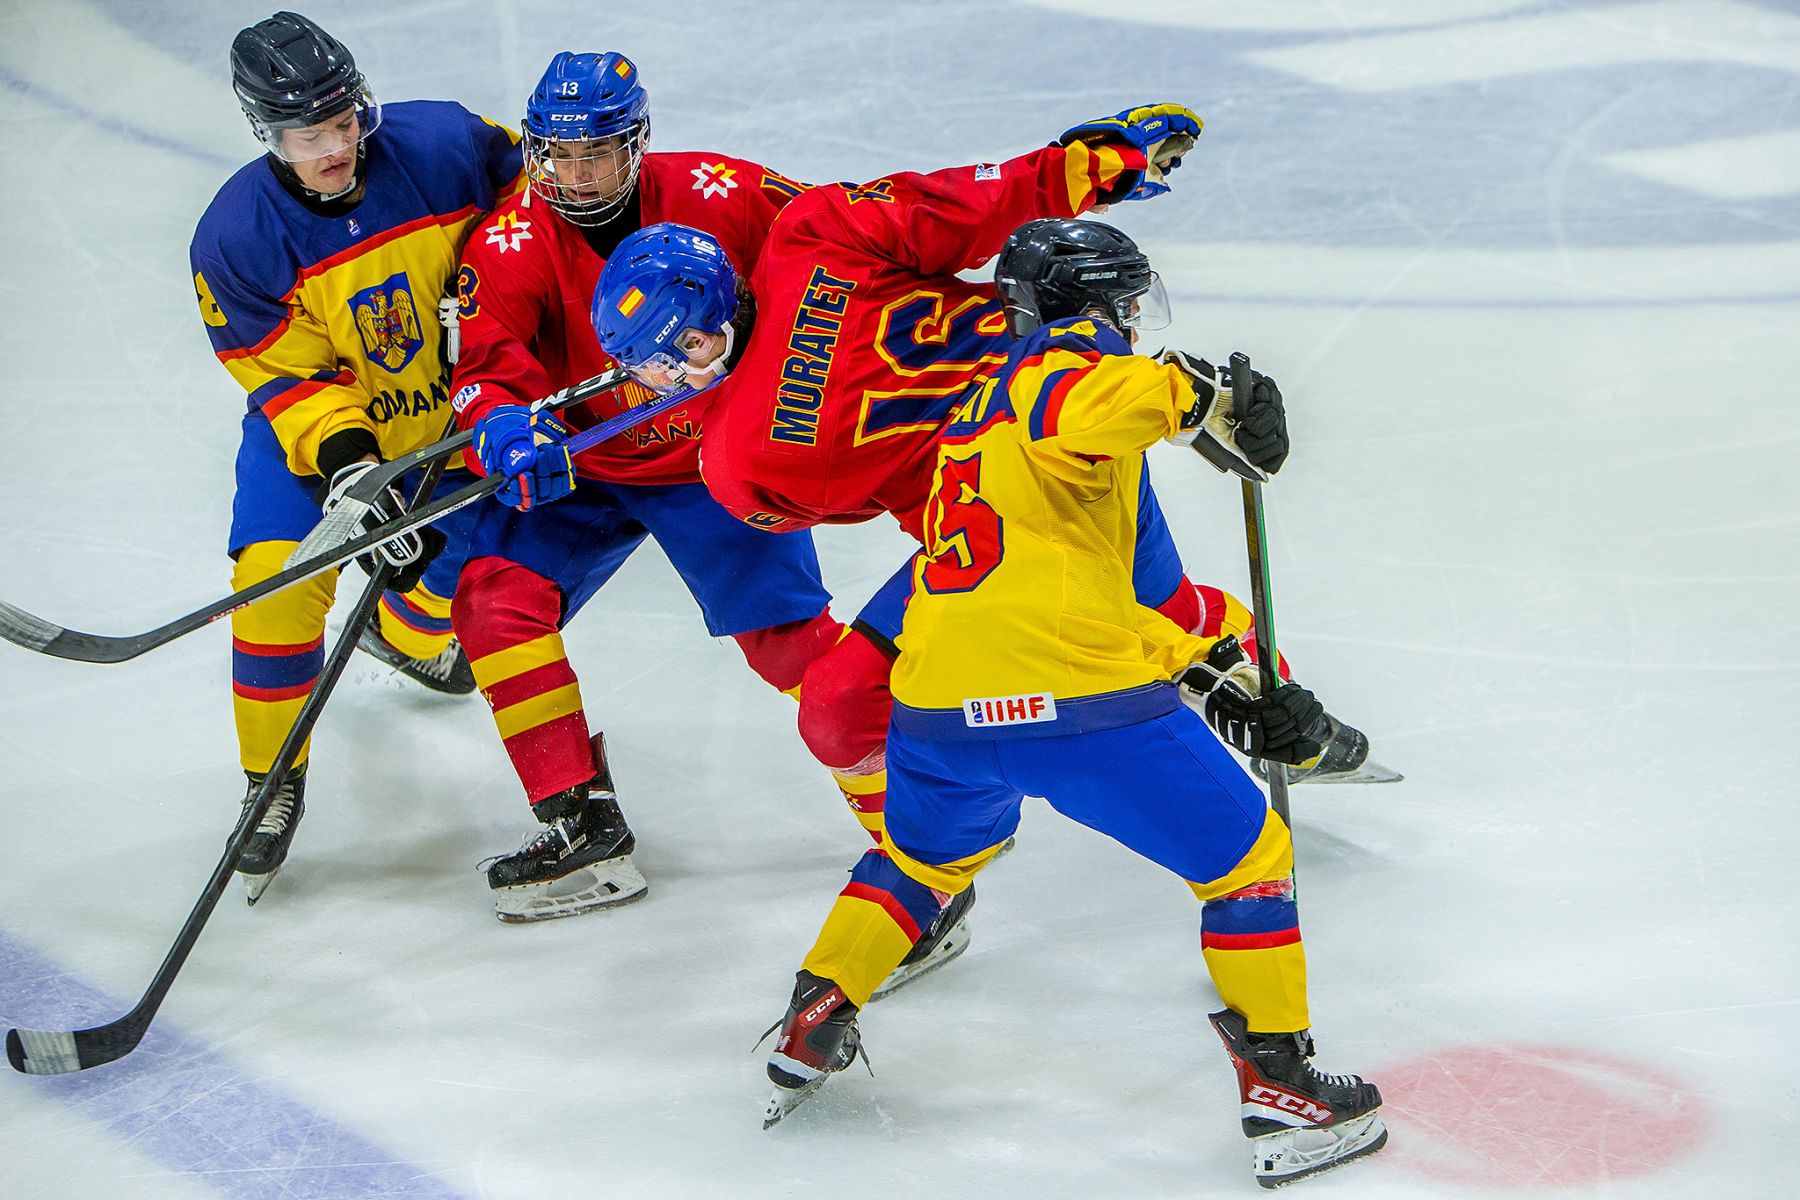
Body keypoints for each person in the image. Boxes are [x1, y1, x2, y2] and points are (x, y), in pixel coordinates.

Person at [594, 104, 1391, 955]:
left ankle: (1289, 719)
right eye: (651, 363)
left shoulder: (737, 463)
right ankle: (928, 874)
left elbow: (839, 486)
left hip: (1067, 452)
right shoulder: (812, 231)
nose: (666, 376)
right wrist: (1100, 161)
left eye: (680, 351)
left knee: (1165, 621)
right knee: (838, 705)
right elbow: (970, 205)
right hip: (999, 505)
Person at [757, 218, 1387, 1189]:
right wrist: (1206, 395)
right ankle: (1285, 1089)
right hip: (1070, 697)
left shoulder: (976, 416)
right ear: (1096, 308)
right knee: (1248, 860)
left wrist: (1234, 678)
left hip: (934, 708)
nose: (1134, 324)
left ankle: (817, 1011)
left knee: (922, 858)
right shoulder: (1061, 378)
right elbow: (1086, 393)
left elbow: (1143, 595)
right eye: (1127, 308)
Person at [446, 52, 846, 925]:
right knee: (493, 600)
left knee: (788, 642)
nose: (577, 174)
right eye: (557, 154)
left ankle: (921, 821)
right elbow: (483, 373)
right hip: (587, 461)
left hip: (718, 457)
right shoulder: (508, 244)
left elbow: (842, 246)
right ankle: (579, 825)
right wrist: (507, 432)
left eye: (597, 152)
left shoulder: (724, 190)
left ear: (638, 142)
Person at [190, 11, 524, 898]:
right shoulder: (234, 238)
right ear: (267, 132)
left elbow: (540, 219)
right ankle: (271, 780)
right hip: (321, 438)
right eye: (310, 134)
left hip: (459, 414)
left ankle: (404, 634)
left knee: (455, 583)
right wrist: (350, 471)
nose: (337, 147)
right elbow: (285, 377)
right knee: (276, 582)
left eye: (346, 122)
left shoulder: (451, 144)